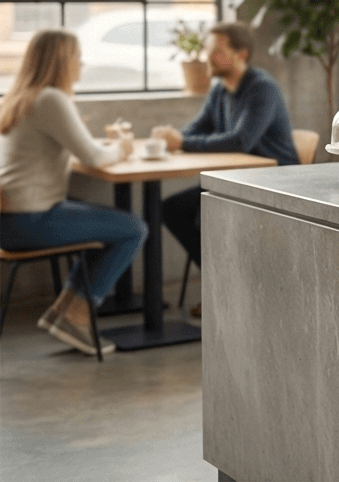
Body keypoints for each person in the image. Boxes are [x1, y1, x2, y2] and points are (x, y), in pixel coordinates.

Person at [0, 29, 147, 356]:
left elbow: (83, 149)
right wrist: (122, 148)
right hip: (31, 221)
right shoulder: (51, 99)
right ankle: (77, 314)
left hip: (10, 221)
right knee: (134, 227)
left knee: (101, 223)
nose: (82, 64)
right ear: (63, 61)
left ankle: (65, 310)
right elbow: (93, 157)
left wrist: (106, 148)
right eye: (78, 57)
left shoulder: (22, 97)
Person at [153, 21, 298, 316]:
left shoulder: (261, 88)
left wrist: (182, 141)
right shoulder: (220, 89)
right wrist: (175, 138)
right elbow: (196, 129)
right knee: (171, 209)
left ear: (240, 54)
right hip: (236, 182)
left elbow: (240, 140)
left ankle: (229, 290)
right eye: (209, 49)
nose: (208, 56)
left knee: (200, 214)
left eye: (216, 50)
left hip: (275, 184)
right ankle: (225, 285)